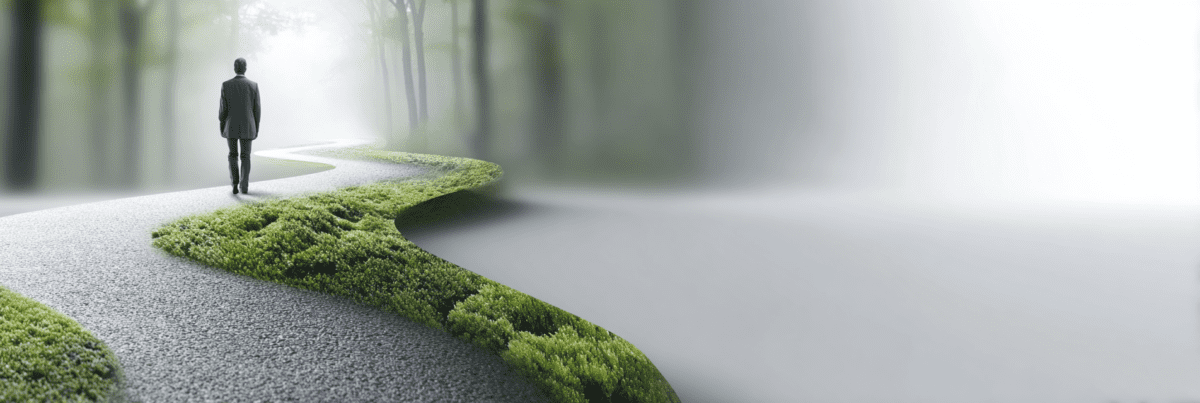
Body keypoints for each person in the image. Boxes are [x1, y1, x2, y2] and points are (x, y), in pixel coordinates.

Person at [219, 57, 261, 194]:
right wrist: (256, 128)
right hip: (248, 126)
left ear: (234, 68)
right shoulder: (253, 85)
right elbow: (257, 110)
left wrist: (222, 125)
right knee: (245, 156)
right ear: (246, 68)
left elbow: (222, 110)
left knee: (232, 155)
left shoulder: (226, 85)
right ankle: (244, 186)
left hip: (230, 126)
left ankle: (234, 184)